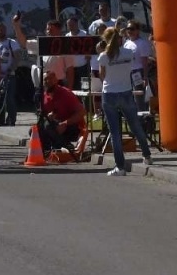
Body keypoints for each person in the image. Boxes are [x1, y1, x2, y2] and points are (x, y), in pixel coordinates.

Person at [93, 26, 152, 176]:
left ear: (105, 40)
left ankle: (120, 166)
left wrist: (102, 52)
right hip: (126, 91)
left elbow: (102, 76)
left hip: (110, 93)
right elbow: (130, 67)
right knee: (135, 125)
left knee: (115, 132)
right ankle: (147, 155)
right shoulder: (128, 52)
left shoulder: (104, 56)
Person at [38, 70, 86, 157]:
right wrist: (48, 118)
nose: (48, 82)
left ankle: (67, 147)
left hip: (72, 127)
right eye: (45, 80)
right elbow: (42, 117)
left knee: (48, 126)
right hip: (55, 125)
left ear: (56, 80)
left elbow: (82, 112)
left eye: (51, 79)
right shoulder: (44, 97)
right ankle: (46, 151)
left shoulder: (66, 94)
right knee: (36, 130)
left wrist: (65, 123)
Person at [0, 21, 21, 126]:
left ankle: (11, 119)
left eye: (2, 29)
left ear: (5, 30)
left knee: (9, 98)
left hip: (9, 76)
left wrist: (10, 69)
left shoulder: (12, 43)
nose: (0, 31)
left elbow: (17, 58)